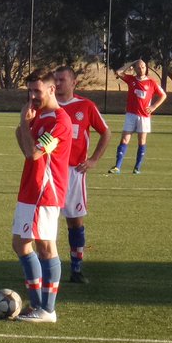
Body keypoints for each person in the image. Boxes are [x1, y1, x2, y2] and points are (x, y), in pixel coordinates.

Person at [12, 71, 72, 323]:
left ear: (51, 89)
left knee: (46, 247)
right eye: (30, 91)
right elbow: (23, 143)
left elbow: (34, 154)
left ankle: (47, 309)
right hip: (30, 189)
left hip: (44, 191)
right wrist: (24, 125)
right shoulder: (40, 117)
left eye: (37, 91)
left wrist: (25, 124)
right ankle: (36, 303)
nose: (33, 96)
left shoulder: (59, 120)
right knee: (20, 243)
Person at [53, 66, 110, 285]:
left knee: (75, 222)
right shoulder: (48, 106)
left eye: (62, 80)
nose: (58, 84)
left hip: (74, 172)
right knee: (45, 222)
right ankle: (45, 267)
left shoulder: (85, 106)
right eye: (55, 80)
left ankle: (76, 269)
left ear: (73, 82)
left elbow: (106, 132)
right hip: (50, 171)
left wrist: (94, 159)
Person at [108, 59, 166, 174]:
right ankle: (117, 167)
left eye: (143, 67)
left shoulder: (151, 82)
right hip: (131, 115)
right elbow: (118, 72)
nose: (141, 69)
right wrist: (131, 62)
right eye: (139, 67)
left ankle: (137, 168)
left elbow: (163, 95)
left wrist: (154, 107)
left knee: (142, 141)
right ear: (135, 68)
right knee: (124, 139)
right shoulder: (131, 80)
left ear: (146, 68)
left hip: (144, 116)